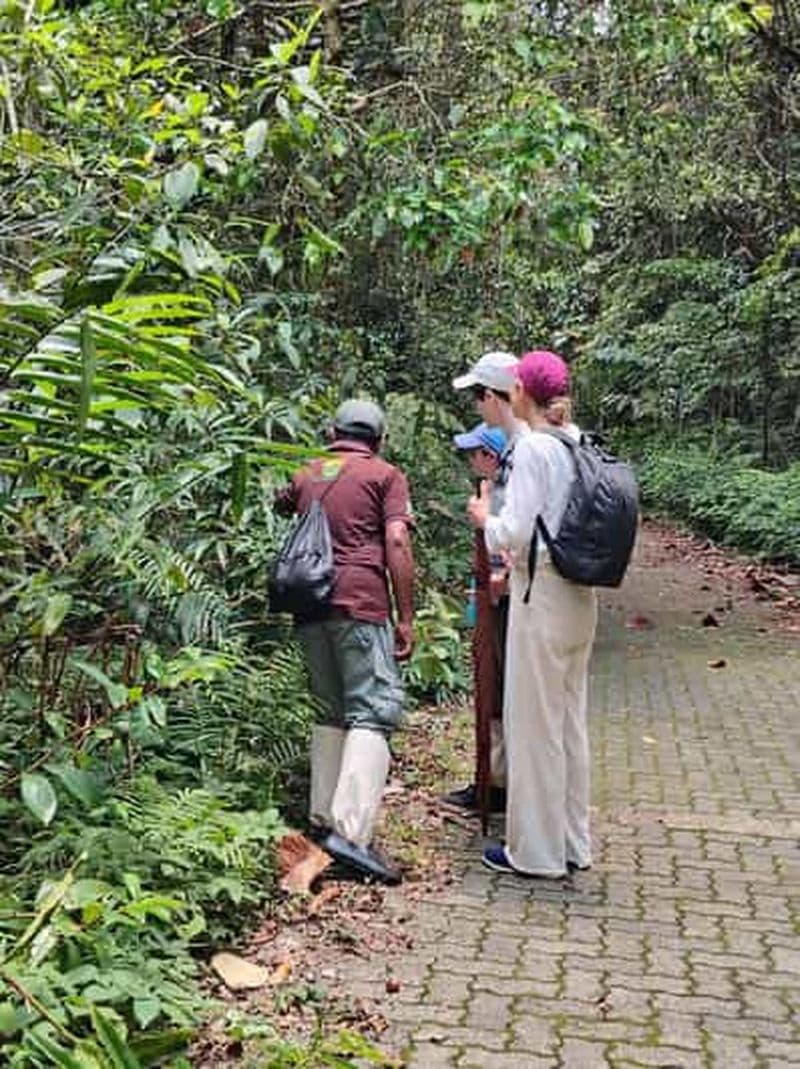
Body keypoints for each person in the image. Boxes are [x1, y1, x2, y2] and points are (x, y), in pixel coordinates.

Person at [467, 350, 598, 878]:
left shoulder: (532, 449)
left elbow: (512, 532)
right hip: (578, 596)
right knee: (568, 724)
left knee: (532, 726)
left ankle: (535, 854)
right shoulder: (576, 440)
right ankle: (573, 843)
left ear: (520, 391)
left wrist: (483, 517)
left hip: (539, 597)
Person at [275, 400, 415, 885]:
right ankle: (350, 836)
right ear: (377, 437)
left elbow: (282, 501)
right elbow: (397, 541)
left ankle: (322, 822)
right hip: (361, 603)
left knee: (330, 709)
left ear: (333, 430)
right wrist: (406, 617)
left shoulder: (309, 470)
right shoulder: (384, 475)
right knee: (372, 709)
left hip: (310, 604)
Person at [442, 421, 509, 818]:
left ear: (491, 456)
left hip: (501, 611)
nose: (473, 461)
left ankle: (496, 785)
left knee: (496, 694)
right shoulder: (496, 492)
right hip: (493, 607)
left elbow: (500, 559)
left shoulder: (501, 495)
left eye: (477, 453)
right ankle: (492, 780)